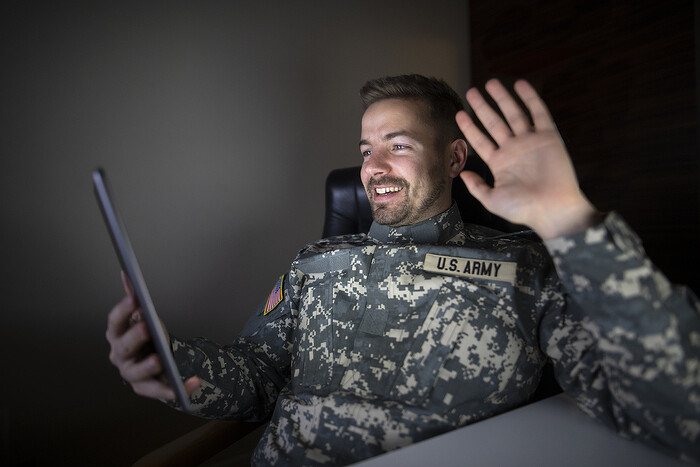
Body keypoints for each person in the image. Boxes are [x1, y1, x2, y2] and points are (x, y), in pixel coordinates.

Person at [106, 74, 700, 465]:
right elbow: (258, 377)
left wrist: (573, 222)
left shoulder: (525, 266)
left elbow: (676, 411)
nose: (374, 166)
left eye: (399, 145)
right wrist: (176, 364)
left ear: (454, 157)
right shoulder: (316, 262)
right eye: (366, 150)